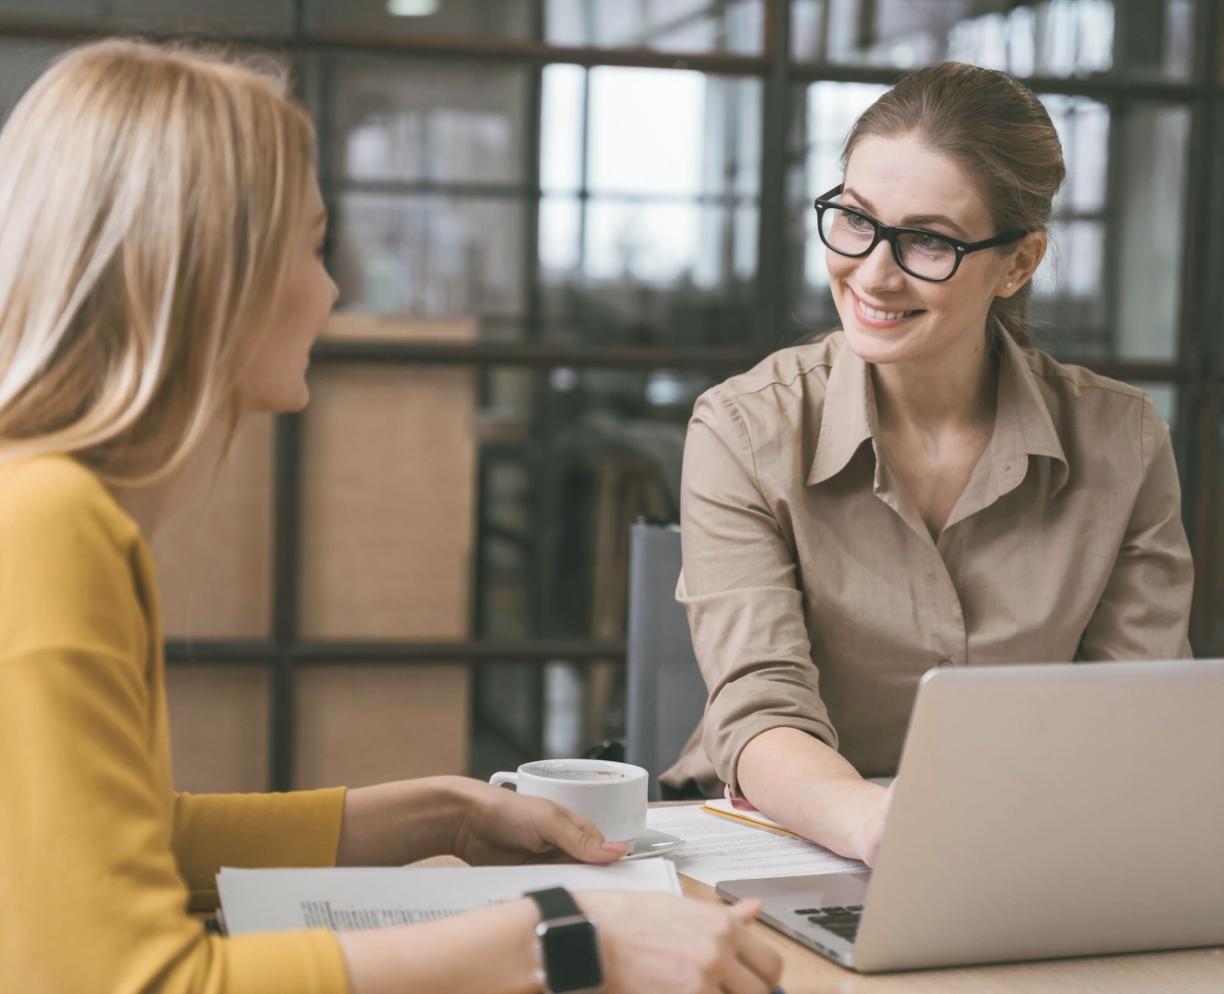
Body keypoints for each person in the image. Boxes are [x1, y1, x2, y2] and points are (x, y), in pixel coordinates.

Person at [0, 40, 783, 994]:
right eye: (313, 245)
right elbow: (131, 981)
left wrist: (440, 815)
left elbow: (137, 841)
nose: (332, 291)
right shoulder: (47, 530)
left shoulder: (45, 503)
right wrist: (568, 938)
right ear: (213, 273)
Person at [661, 62, 1194, 865]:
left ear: (1017, 263)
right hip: (786, 839)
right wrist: (893, 833)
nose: (873, 271)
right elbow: (763, 711)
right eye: (854, 219)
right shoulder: (743, 429)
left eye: (928, 241)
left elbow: (1135, 718)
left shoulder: (1121, 439)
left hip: (1027, 850)